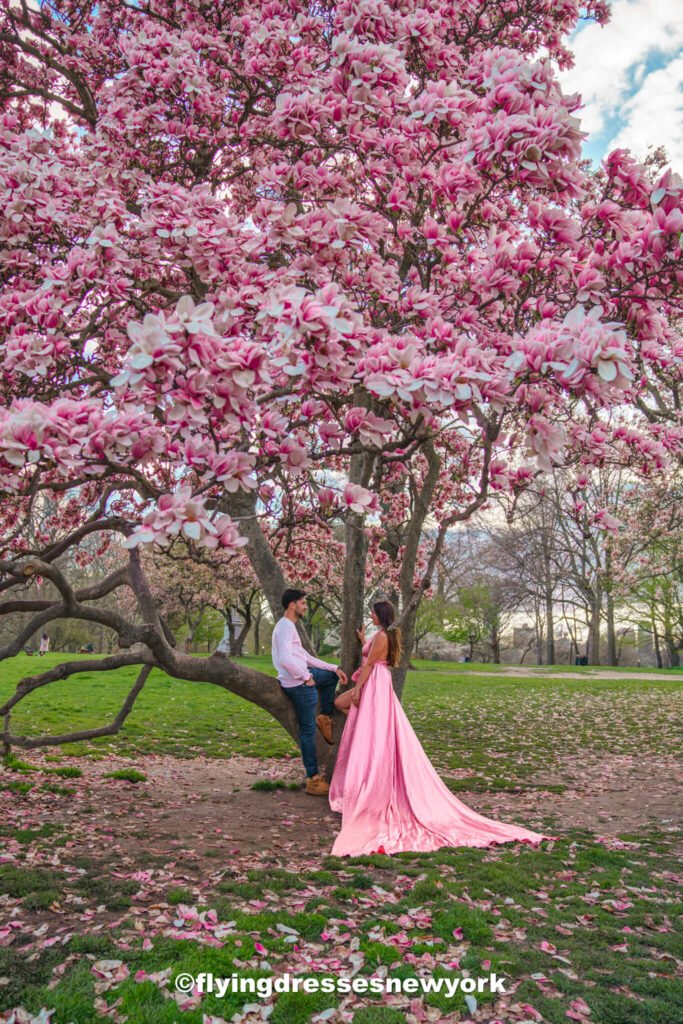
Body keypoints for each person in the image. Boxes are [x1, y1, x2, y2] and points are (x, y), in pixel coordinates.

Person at [330, 600, 557, 856]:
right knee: (355, 711)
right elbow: (371, 656)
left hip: (374, 683)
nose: (369, 614)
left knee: (348, 707)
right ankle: (362, 731)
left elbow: (371, 664)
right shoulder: (382, 635)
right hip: (378, 682)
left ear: (380, 614)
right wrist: (363, 641)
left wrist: (359, 689)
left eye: (372, 611)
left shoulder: (383, 636)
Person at [271, 588, 348, 796]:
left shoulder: (288, 626)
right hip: (298, 684)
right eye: (302, 603)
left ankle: (324, 717)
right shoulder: (286, 627)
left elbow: (303, 656)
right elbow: (286, 660)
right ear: (292, 605)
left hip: (300, 676)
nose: (305, 606)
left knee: (331, 677)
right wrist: (306, 677)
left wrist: (334, 668)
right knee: (307, 730)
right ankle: (313, 779)